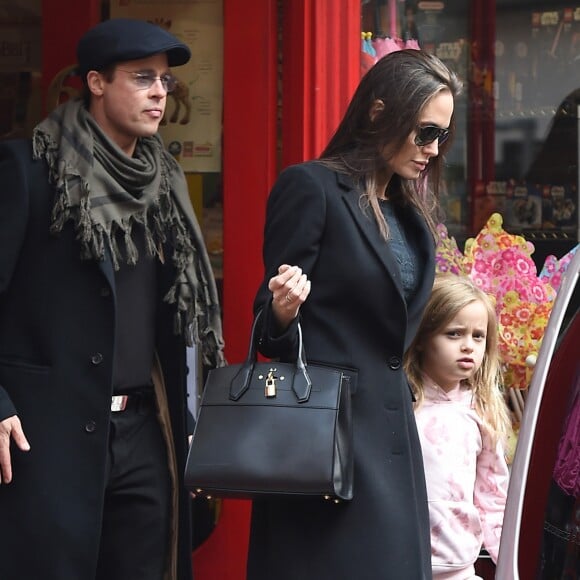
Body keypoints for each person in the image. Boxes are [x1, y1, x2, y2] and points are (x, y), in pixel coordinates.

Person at [0, 18, 224, 580]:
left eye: (165, 82)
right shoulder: (28, 171)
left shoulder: (164, 182)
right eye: (142, 77)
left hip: (145, 434)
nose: (158, 92)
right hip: (44, 437)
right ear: (96, 82)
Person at [249, 49, 462, 580]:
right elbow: (268, 327)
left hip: (391, 436)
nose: (432, 151)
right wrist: (282, 308)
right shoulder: (312, 188)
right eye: (423, 133)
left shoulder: (411, 214)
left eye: (442, 137)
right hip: (324, 440)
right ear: (378, 113)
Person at [404, 275, 511, 580]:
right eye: (454, 334)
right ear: (423, 337)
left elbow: (493, 498)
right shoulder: (401, 407)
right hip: (397, 563)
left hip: (459, 569)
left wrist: (508, 563)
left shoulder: (482, 413)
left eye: (478, 336)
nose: (468, 347)